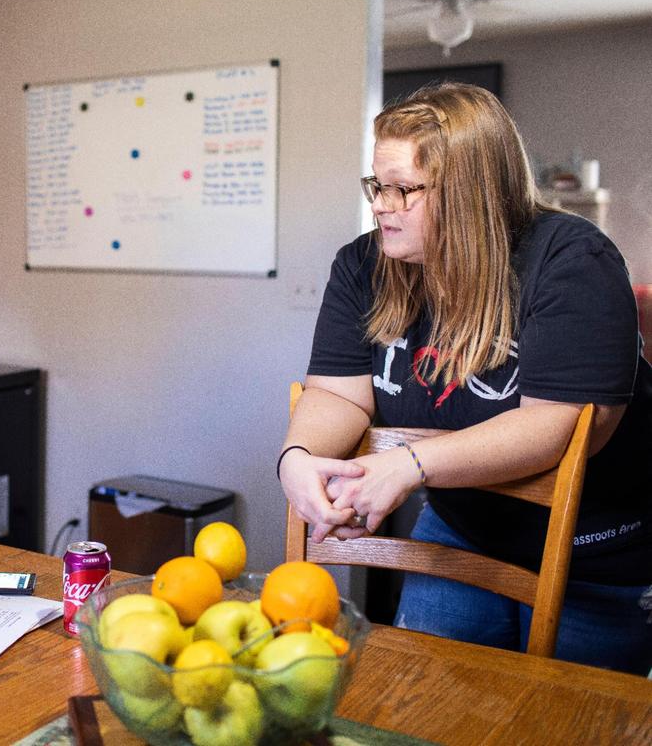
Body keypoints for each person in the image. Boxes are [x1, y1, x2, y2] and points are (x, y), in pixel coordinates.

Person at [278, 83, 651, 675]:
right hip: (462, 527)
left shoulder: (572, 261)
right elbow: (336, 393)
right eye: (377, 185)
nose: (381, 206)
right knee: (426, 699)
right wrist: (297, 458)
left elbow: (555, 427)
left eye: (403, 189)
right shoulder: (362, 265)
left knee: (565, 716)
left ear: (469, 192)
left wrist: (406, 465)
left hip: (597, 553)